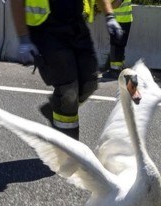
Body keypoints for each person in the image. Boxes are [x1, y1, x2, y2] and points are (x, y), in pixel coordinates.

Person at [9, 0, 124, 140]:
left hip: (75, 25)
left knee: (89, 83)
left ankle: (55, 108)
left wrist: (109, 16)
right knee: (68, 92)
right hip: (46, 29)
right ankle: (69, 151)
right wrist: (23, 40)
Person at [102, 0, 133, 79]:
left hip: (120, 20)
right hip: (123, 19)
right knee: (119, 45)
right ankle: (119, 68)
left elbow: (117, 4)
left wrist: (107, 8)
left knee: (116, 45)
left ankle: (115, 71)